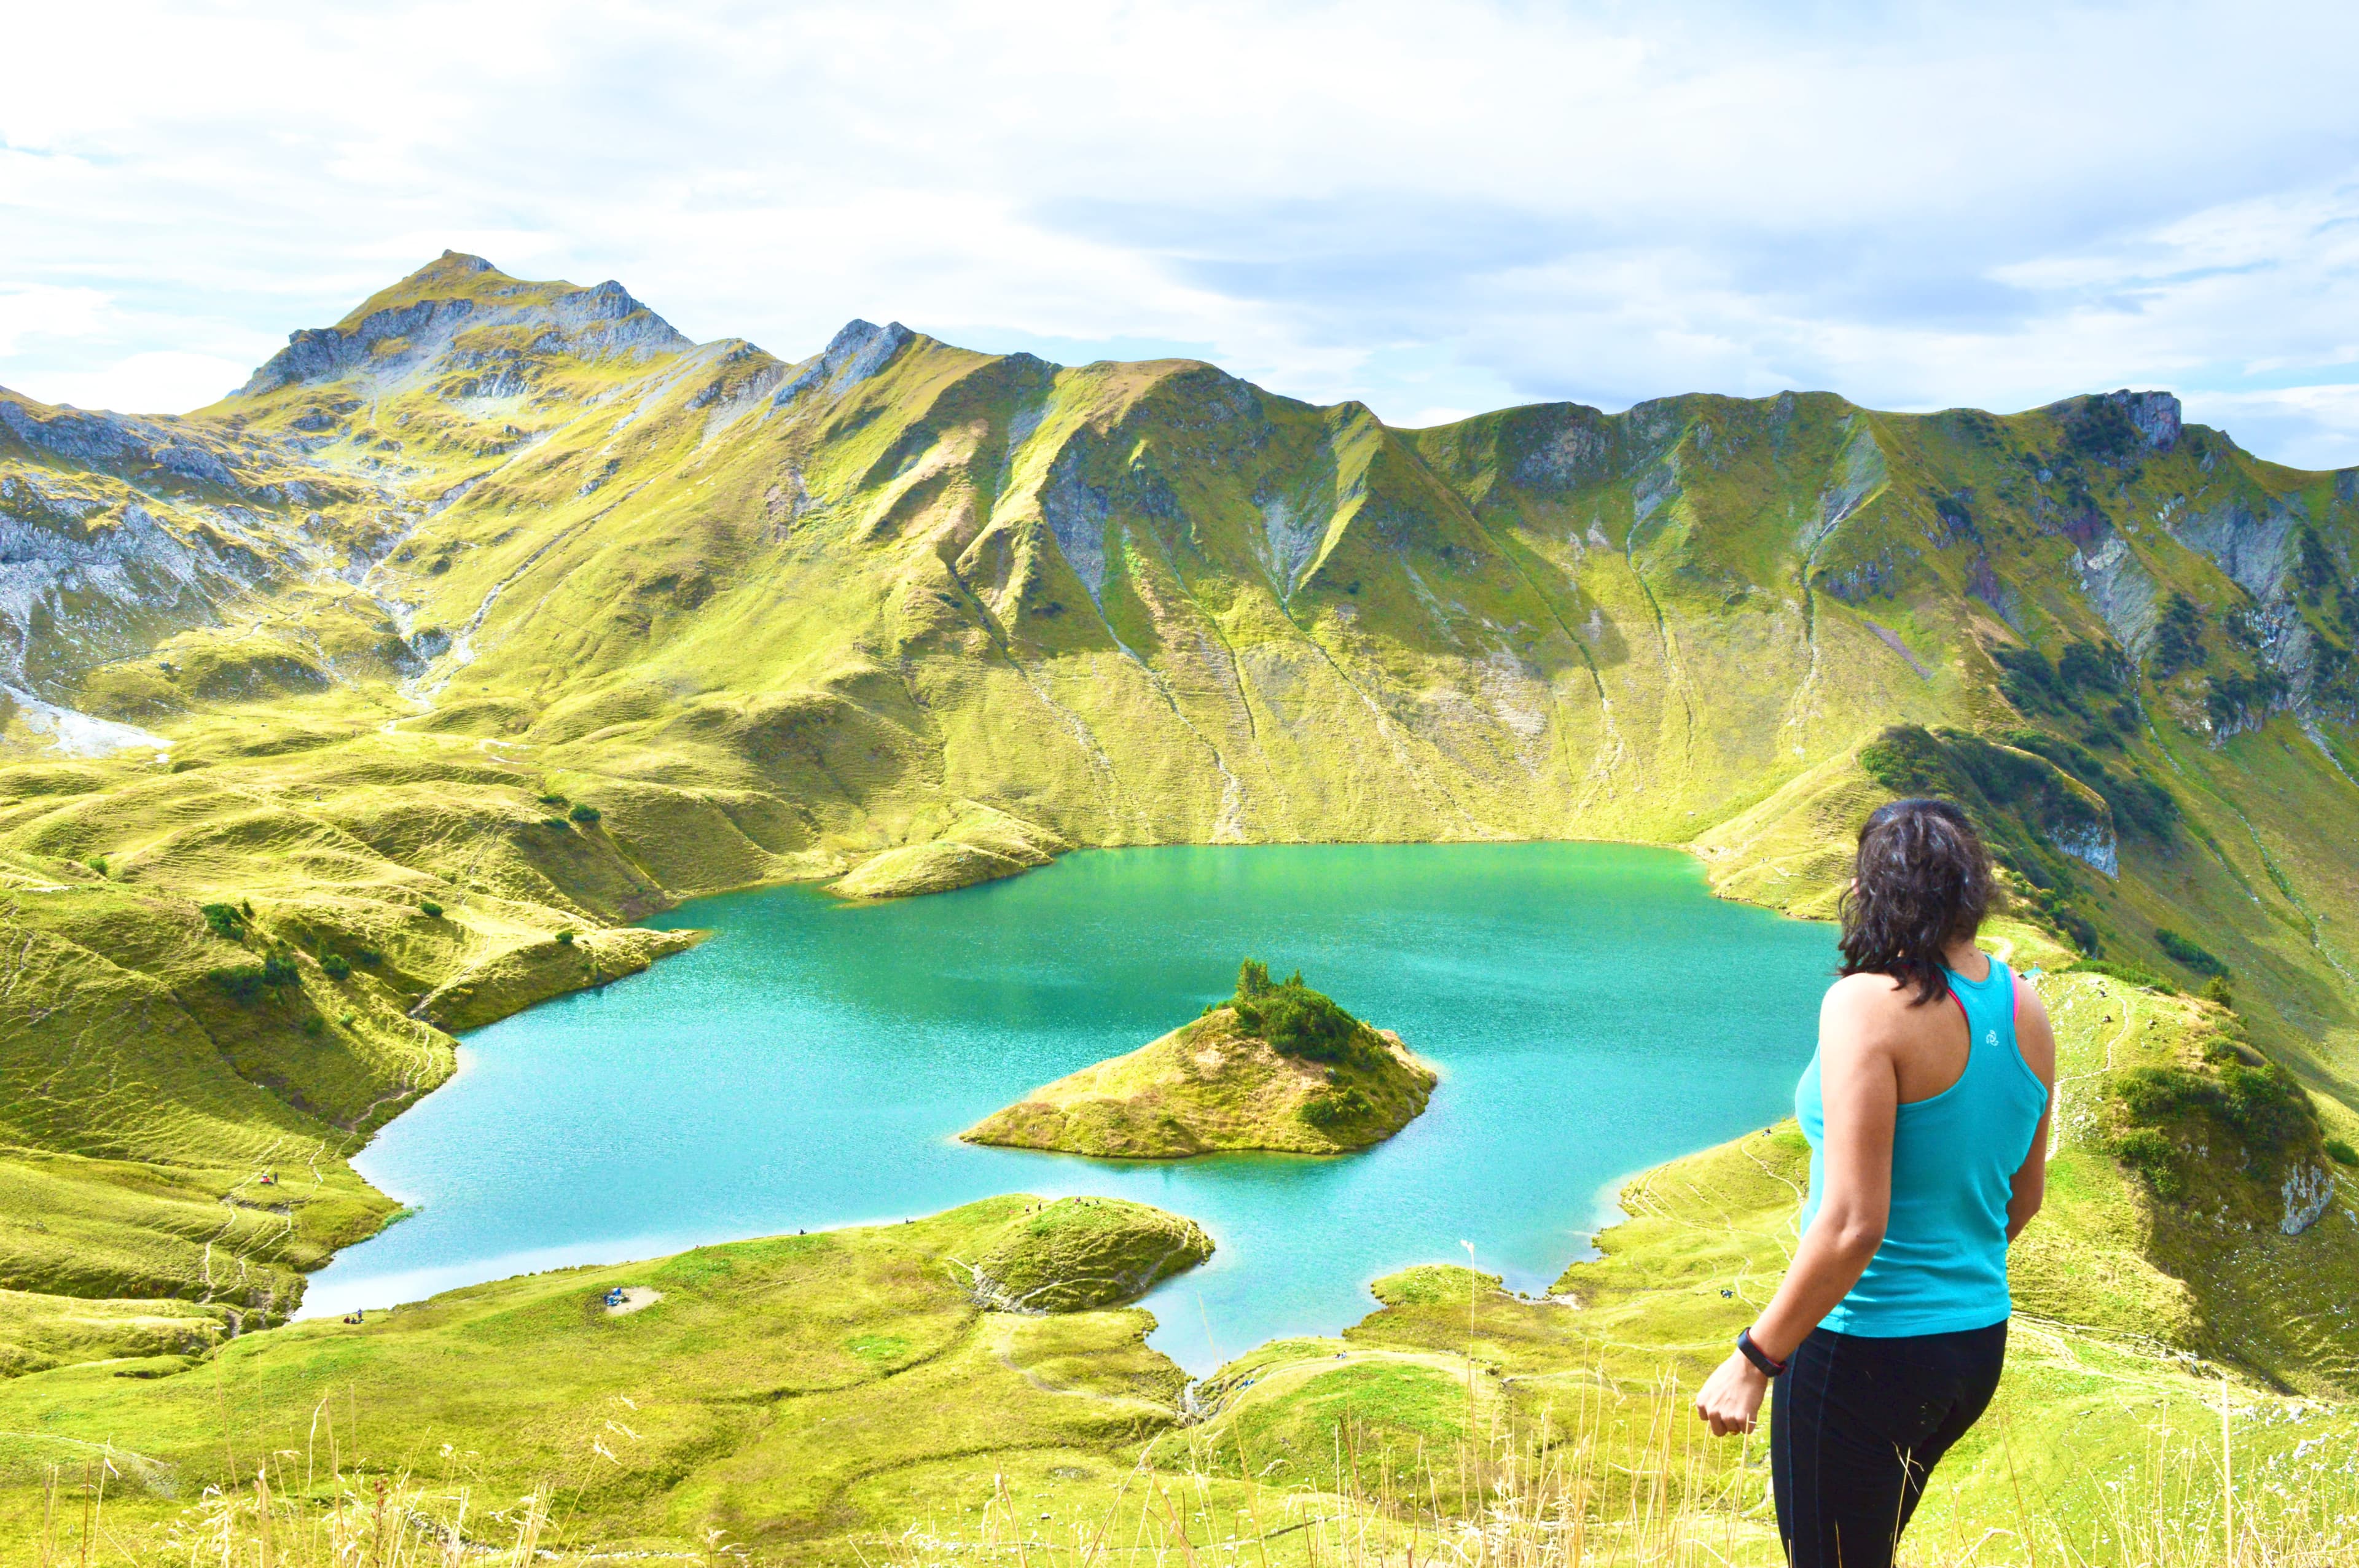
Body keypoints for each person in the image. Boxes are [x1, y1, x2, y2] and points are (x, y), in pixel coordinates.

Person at [1693, 798, 2055, 1568]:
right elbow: (2022, 1201)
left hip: (1866, 1351)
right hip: (1972, 1346)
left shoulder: (1864, 1003)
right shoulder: (2023, 1003)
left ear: (1873, 892)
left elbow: (1855, 1224)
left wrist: (1755, 1359)